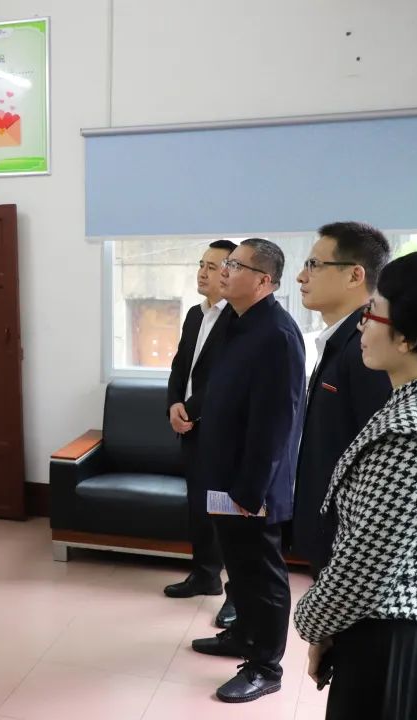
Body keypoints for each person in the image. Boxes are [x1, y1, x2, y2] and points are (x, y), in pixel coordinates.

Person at [294, 250, 417, 719]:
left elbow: (363, 570)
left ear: (408, 337)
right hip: (384, 631)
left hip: (396, 652)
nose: (362, 326)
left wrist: (312, 623)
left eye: (372, 312)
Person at [189, 238, 306, 703]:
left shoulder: (277, 333)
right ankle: (241, 637)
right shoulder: (235, 323)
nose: (224, 271)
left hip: (252, 483)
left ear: (264, 281)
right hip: (224, 475)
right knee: (237, 564)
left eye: (234, 265)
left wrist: (251, 489)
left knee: (262, 574)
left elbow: (278, 421)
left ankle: (266, 667)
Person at [292, 222, 393, 578]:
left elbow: (376, 462)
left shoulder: (368, 348)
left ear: (354, 275)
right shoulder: (341, 339)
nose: (301, 277)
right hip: (327, 525)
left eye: (314, 265)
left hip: (347, 538)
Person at [164, 239, 237, 630]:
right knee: (198, 508)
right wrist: (174, 404)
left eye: (212, 266)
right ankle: (205, 575)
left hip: (222, 432)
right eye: (201, 264)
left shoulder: (239, 319)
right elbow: (181, 366)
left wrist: (189, 410)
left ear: (230, 272)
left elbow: (225, 379)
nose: (203, 272)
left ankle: (237, 596)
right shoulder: (196, 314)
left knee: (227, 514)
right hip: (191, 428)